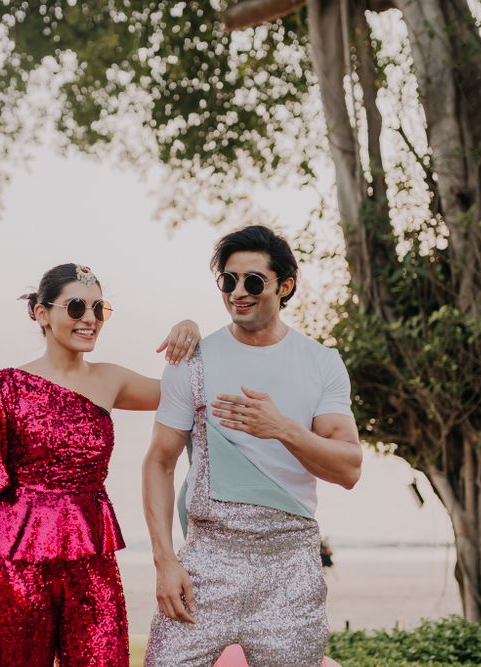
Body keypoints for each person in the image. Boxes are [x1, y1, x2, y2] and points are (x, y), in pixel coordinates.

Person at [0, 262, 199, 667]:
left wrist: (190, 332)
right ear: (41, 313)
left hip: (93, 566)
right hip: (15, 571)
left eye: (100, 309)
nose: (90, 320)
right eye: (76, 307)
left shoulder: (110, 380)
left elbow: (193, 393)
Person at [142, 225, 363, 666]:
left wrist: (282, 428)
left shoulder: (321, 363)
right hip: (206, 563)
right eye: (228, 280)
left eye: (253, 281)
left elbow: (349, 468)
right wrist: (165, 561)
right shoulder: (193, 360)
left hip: (291, 569)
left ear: (285, 286)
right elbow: (159, 463)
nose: (238, 292)